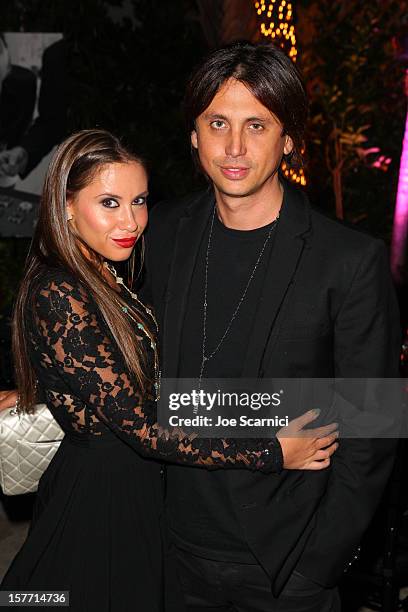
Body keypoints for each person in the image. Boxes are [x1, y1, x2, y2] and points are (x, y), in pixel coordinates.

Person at [0, 129, 338, 611]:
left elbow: (121, 378)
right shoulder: (60, 291)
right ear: (66, 206)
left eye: (138, 201)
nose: (131, 220)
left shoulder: (102, 273)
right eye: (110, 203)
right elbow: (142, 428)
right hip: (101, 496)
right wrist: (271, 452)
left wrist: (44, 386)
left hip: (133, 487)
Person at [142, 42, 401, 612]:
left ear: (288, 140)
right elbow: (130, 370)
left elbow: (374, 426)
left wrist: (318, 565)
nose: (234, 147)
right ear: (193, 134)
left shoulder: (348, 260)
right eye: (218, 123)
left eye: (256, 124)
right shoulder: (159, 232)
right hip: (167, 551)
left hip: (286, 569)